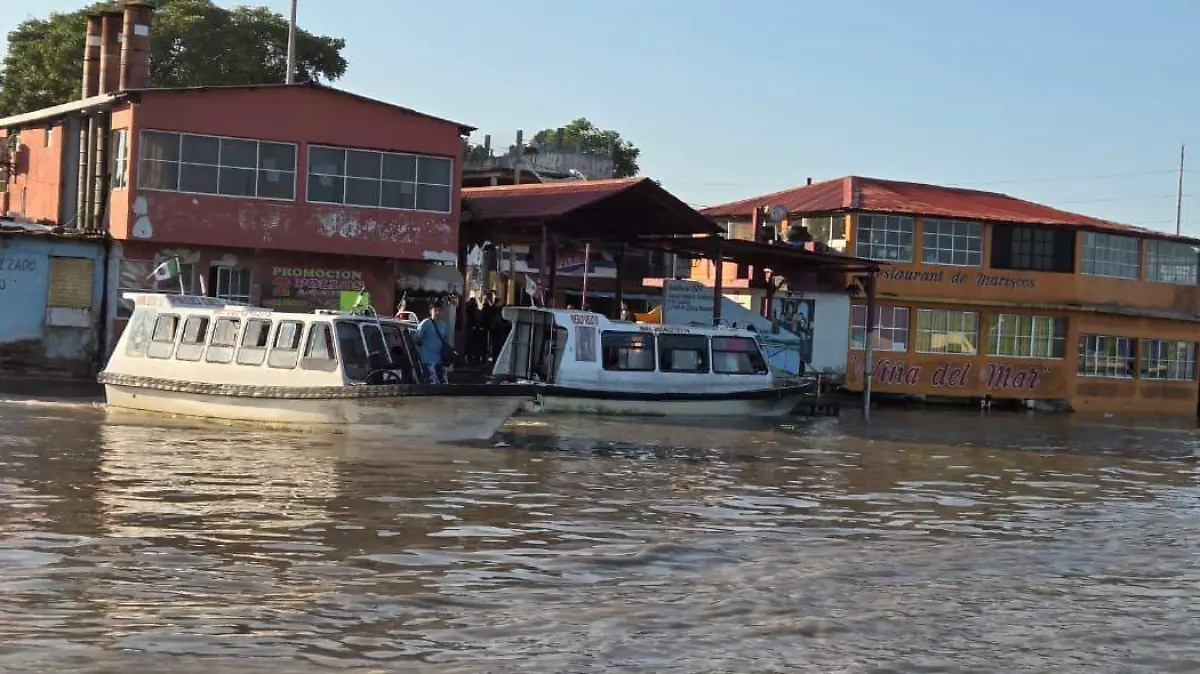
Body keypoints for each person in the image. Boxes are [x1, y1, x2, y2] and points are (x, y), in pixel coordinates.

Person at [416, 301, 451, 384]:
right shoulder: (425, 323)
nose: (437, 313)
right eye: (435, 310)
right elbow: (417, 339)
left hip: (440, 359)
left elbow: (446, 340)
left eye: (439, 311)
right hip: (428, 359)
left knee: (444, 383)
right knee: (432, 383)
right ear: (431, 311)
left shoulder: (444, 325)